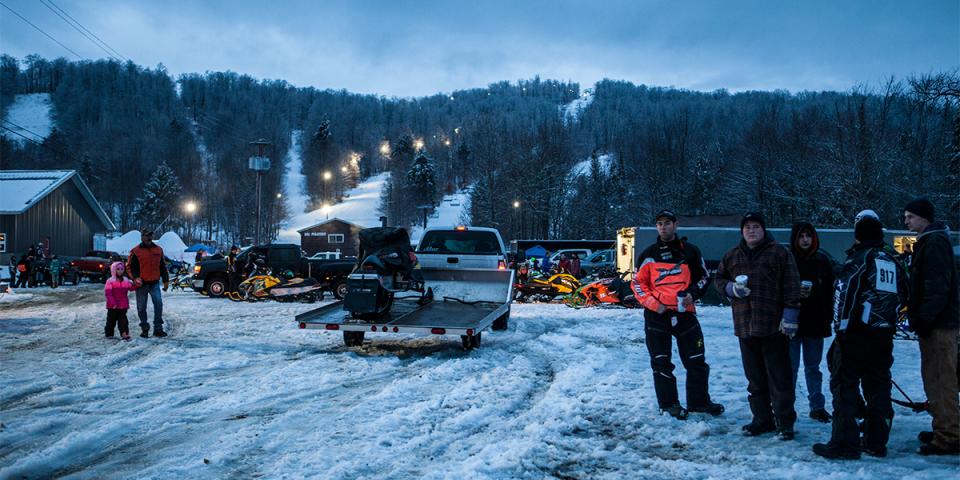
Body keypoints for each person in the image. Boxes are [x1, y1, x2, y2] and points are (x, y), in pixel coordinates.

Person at [813, 214, 907, 459]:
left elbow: (845, 293)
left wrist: (841, 328)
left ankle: (844, 443)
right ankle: (876, 442)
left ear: (857, 234)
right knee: (878, 386)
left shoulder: (861, 258)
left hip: (856, 334)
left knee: (844, 385)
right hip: (883, 333)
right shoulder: (891, 260)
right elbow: (905, 294)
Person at [715, 212, 801, 440]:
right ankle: (762, 419)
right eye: (747, 227)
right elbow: (719, 279)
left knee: (779, 378)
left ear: (763, 230)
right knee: (755, 379)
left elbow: (792, 284)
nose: (751, 231)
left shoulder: (779, 252)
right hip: (745, 326)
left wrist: (791, 314)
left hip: (774, 326)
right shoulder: (732, 255)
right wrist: (730, 289)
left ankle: (785, 422)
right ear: (742, 231)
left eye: (756, 227)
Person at [633, 209, 723, 419]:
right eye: (659, 224)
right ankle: (669, 404)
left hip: (686, 314)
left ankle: (699, 403)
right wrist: (655, 305)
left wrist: (693, 294)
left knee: (696, 360)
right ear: (657, 227)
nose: (663, 227)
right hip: (657, 316)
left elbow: (704, 277)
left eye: (667, 223)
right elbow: (638, 284)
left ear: (675, 225)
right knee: (661, 361)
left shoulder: (691, 251)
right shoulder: (648, 254)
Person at [903, 198, 959, 456]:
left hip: (939, 325)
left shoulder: (934, 242)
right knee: (935, 377)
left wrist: (925, 317)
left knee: (941, 378)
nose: (906, 221)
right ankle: (944, 428)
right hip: (938, 322)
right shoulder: (932, 241)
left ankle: (948, 436)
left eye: (910, 216)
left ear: (923, 217)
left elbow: (937, 286)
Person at [788, 222, 835, 423]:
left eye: (808, 236)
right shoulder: (788, 260)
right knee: (789, 368)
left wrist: (828, 319)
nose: (805, 240)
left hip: (816, 323)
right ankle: (786, 406)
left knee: (813, 368)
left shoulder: (823, 261)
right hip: (792, 323)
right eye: (801, 236)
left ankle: (817, 406)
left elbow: (831, 294)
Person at [128, 230, 169, 338]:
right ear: (142, 237)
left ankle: (158, 329)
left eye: (150, 235)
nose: (148, 237)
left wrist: (165, 280)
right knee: (141, 308)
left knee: (158, 304)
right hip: (141, 284)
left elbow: (163, 266)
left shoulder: (158, 250)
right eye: (146, 236)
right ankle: (144, 329)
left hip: (154, 283)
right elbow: (129, 267)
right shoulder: (136, 251)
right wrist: (135, 278)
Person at [104, 261, 135, 340]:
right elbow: (108, 294)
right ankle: (109, 333)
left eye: (122, 269)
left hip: (123, 305)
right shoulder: (110, 281)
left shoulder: (125, 280)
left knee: (123, 320)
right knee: (111, 320)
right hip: (112, 306)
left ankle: (124, 333)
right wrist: (113, 303)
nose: (120, 271)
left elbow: (131, 288)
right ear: (114, 270)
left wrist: (136, 285)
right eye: (118, 269)